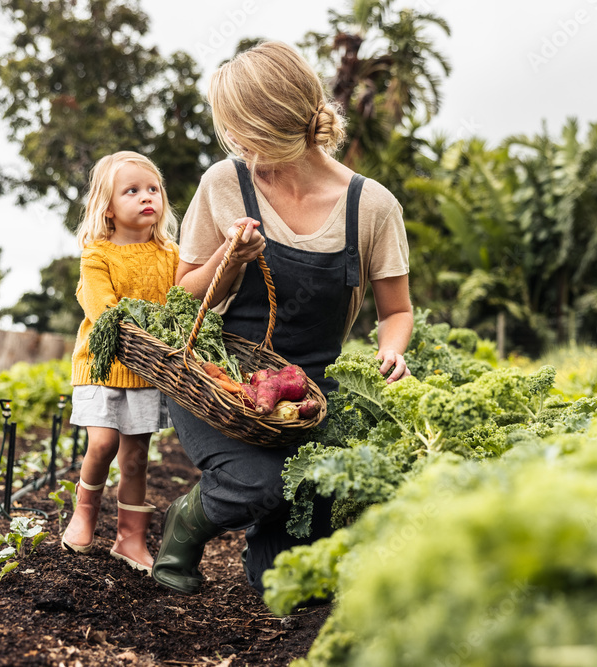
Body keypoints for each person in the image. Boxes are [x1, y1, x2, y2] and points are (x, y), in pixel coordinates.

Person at [151, 41, 413, 596]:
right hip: (218, 377)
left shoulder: (371, 206)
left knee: (287, 585)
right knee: (257, 481)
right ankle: (186, 523)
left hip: (308, 396)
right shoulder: (224, 183)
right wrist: (229, 258)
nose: (236, 143)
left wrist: (393, 350)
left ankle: (266, 537)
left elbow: (398, 311)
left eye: (240, 128)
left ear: (270, 125)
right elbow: (183, 294)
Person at [62, 151, 180, 573]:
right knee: (103, 443)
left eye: (153, 189)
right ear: (108, 207)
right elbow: (102, 309)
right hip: (102, 363)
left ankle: (130, 539)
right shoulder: (97, 254)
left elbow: (182, 300)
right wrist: (145, 329)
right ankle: (85, 511)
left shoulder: (170, 255)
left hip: (148, 371)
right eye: (132, 191)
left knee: (135, 458)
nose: (146, 197)